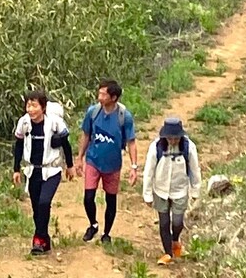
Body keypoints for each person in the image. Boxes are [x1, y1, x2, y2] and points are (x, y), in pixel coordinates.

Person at [13, 89, 75, 255]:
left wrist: (70, 166)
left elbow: (66, 145)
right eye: (28, 105)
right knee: (36, 208)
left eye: (34, 106)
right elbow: (18, 145)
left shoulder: (54, 123)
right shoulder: (24, 123)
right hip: (33, 171)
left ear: (43, 107)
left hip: (52, 170)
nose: (31, 109)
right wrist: (16, 169)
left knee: (43, 202)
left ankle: (38, 239)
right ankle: (44, 239)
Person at [78, 78, 138, 244]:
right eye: (100, 92)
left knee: (110, 199)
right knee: (88, 197)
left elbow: (131, 142)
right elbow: (86, 135)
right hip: (93, 160)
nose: (100, 96)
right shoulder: (93, 112)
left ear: (114, 97)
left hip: (112, 164)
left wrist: (134, 167)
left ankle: (107, 233)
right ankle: (93, 224)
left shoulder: (124, 117)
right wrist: (79, 158)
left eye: (103, 94)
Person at [142, 116, 201, 266]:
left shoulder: (189, 147)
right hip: (160, 190)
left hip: (180, 190)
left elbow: (195, 170)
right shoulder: (156, 147)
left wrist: (195, 191)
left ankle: (175, 240)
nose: (172, 141)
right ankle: (168, 253)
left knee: (177, 222)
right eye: (170, 138)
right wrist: (147, 194)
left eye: (175, 138)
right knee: (164, 223)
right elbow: (149, 171)